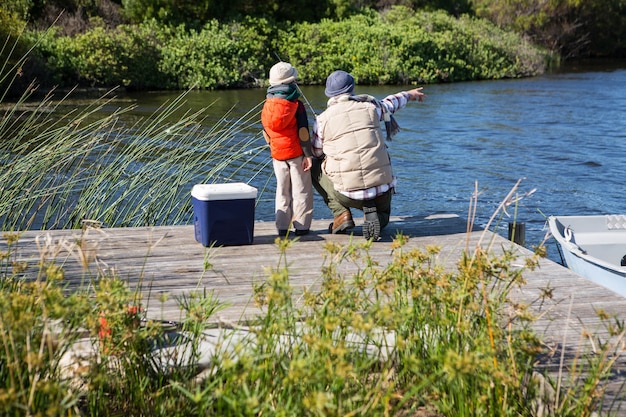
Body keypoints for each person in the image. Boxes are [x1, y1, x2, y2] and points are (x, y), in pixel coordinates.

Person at [311, 70, 424, 241]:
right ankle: (377, 216)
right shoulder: (371, 107)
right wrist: (409, 94)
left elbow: (316, 152)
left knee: (313, 167)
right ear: (352, 89)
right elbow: (391, 103)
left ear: (329, 94)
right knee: (384, 213)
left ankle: (341, 214)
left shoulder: (322, 120)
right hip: (381, 192)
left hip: (347, 194)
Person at [261, 62, 314, 236]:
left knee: (282, 190)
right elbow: (303, 132)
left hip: (277, 155)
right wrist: (308, 155)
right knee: (301, 190)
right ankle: (302, 227)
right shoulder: (297, 105)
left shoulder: (267, 104)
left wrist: (273, 147)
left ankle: (282, 227)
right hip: (297, 154)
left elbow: (265, 130)